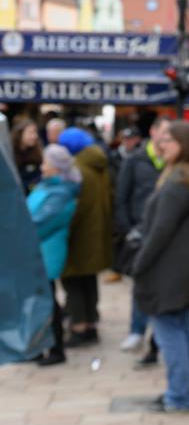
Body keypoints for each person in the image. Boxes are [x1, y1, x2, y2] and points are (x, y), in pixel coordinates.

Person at [130, 120, 189, 413]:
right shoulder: (186, 175)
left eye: (168, 140)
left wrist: (139, 264)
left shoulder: (179, 180)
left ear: (184, 145)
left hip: (168, 265)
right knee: (181, 327)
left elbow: (160, 230)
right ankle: (181, 391)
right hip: (181, 262)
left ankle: (178, 395)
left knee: (169, 329)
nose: (162, 145)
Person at [115, 116, 169, 364]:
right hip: (140, 232)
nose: (167, 139)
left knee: (162, 287)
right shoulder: (136, 160)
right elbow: (121, 197)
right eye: (164, 133)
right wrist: (127, 229)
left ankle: (158, 340)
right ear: (153, 132)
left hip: (166, 235)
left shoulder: (173, 162)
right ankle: (137, 330)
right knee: (140, 285)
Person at [26, 145, 82, 367]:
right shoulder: (46, 186)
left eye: (46, 163)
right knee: (40, 301)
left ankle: (56, 347)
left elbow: (42, 222)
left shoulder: (60, 192)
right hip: (36, 250)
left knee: (47, 301)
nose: (42, 166)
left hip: (46, 252)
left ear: (57, 167)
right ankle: (40, 347)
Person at [58, 126, 113, 347]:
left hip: (79, 234)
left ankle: (79, 326)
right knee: (88, 279)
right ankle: (91, 322)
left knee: (73, 281)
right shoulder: (98, 164)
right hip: (96, 231)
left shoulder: (77, 168)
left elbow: (75, 207)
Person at [12, 119, 43, 195]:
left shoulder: (37, 152)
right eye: (30, 132)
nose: (35, 136)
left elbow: (39, 176)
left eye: (36, 132)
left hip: (31, 194)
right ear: (20, 134)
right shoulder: (10, 152)